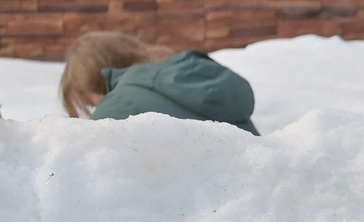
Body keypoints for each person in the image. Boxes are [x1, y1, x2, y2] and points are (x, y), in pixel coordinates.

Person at [58, 31, 259, 133]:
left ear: (95, 81)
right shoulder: (186, 76)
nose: (96, 110)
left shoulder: (120, 104)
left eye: (91, 103)